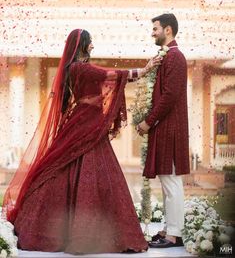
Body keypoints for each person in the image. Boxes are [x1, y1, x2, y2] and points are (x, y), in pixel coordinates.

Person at [2, 29, 160, 254]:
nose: (93, 46)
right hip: (86, 121)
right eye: (91, 42)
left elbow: (104, 78)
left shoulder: (73, 68)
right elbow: (111, 75)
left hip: (86, 121)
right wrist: (143, 70)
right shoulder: (80, 68)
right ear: (83, 45)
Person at [137, 14, 190, 248]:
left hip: (171, 128)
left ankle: (175, 234)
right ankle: (170, 229)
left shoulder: (176, 57)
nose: (153, 33)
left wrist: (149, 121)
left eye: (155, 28)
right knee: (167, 181)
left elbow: (170, 95)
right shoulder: (166, 57)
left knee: (172, 181)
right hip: (165, 127)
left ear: (168, 30)